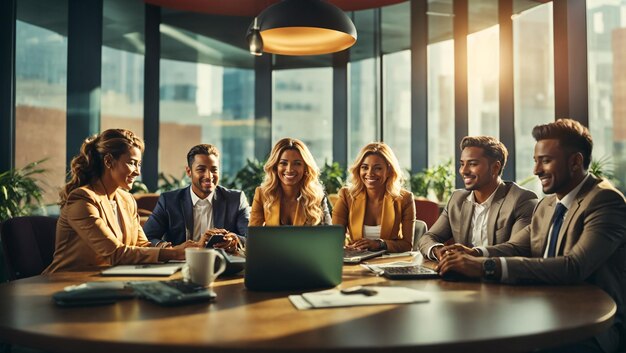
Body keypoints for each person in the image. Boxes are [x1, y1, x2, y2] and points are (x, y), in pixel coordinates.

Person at [438, 119, 626, 353]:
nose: (536, 170)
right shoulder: (547, 203)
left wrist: (485, 267)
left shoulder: (605, 201)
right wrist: (474, 253)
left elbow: (573, 266)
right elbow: (518, 246)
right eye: (536, 161)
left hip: (587, 326)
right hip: (542, 309)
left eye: (546, 161)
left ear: (575, 162)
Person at [44, 129, 200, 274]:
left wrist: (179, 249)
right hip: (67, 283)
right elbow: (115, 254)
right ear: (108, 161)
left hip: (108, 281)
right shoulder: (83, 199)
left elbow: (142, 245)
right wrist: (174, 253)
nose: (138, 171)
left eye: (139, 164)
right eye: (132, 163)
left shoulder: (126, 199)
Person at [418, 136, 537, 261]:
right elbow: (428, 237)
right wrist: (437, 250)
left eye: (473, 164)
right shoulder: (457, 199)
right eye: (462, 164)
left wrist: (474, 253)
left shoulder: (521, 200)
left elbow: (516, 249)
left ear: (495, 168)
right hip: (460, 275)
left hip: (497, 277)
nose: (464, 171)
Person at [143, 144, 250, 252]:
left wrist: (234, 239)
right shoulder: (168, 201)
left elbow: (250, 237)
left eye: (214, 170)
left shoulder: (236, 200)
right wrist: (173, 249)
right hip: (180, 265)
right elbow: (146, 238)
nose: (209, 176)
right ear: (189, 172)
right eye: (201, 169)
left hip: (224, 265)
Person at [332, 142, 415, 253]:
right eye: (365, 167)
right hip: (357, 260)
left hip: (389, 262)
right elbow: (334, 241)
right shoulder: (346, 196)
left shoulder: (405, 199)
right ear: (359, 170)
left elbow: (407, 245)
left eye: (378, 168)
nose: (370, 173)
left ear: (389, 171)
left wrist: (379, 244)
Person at [249, 137, 331, 226]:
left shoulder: (316, 197)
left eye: (297, 163)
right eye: (283, 163)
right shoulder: (262, 194)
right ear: (275, 166)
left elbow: (329, 236)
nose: (289, 169)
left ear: (305, 168)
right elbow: (253, 234)